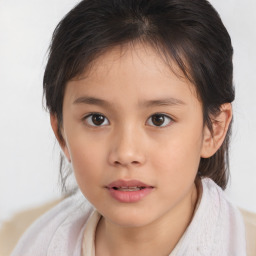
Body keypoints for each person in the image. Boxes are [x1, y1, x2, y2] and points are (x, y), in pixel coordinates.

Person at [11, 0, 246, 255]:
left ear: (213, 128)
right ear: (61, 133)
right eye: (97, 119)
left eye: (159, 119)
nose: (126, 153)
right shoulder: (26, 244)